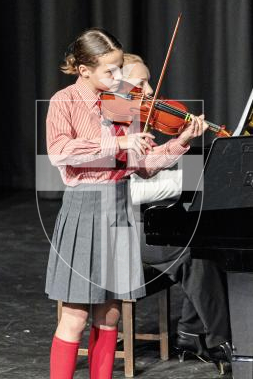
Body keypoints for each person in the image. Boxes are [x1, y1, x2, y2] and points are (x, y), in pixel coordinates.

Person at [45, 29, 208, 379]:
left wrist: (179, 142)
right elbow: (60, 153)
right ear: (82, 69)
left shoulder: (122, 107)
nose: (118, 79)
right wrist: (117, 145)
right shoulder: (64, 102)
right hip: (84, 209)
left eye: (120, 70)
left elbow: (143, 168)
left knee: (111, 314)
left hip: (119, 208)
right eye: (110, 72)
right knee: (75, 315)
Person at [122, 53, 232, 368]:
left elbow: (147, 169)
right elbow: (127, 192)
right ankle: (219, 342)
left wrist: (185, 144)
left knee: (204, 243)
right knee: (191, 251)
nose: (150, 89)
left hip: (139, 223)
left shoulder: (133, 121)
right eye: (140, 82)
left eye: (149, 80)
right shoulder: (109, 125)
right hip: (116, 230)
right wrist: (187, 182)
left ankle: (194, 336)